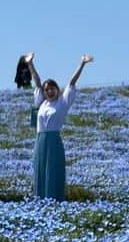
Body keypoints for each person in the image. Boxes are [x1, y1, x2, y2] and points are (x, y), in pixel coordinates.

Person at [25, 53, 94, 201]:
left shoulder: (62, 103)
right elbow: (37, 82)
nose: (49, 91)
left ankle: (55, 203)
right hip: (40, 141)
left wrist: (82, 63)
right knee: (40, 172)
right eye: (47, 90)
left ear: (57, 89)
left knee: (53, 172)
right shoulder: (42, 103)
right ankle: (40, 203)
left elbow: (72, 83)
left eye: (52, 88)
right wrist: (30, 64)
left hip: (54, 141)